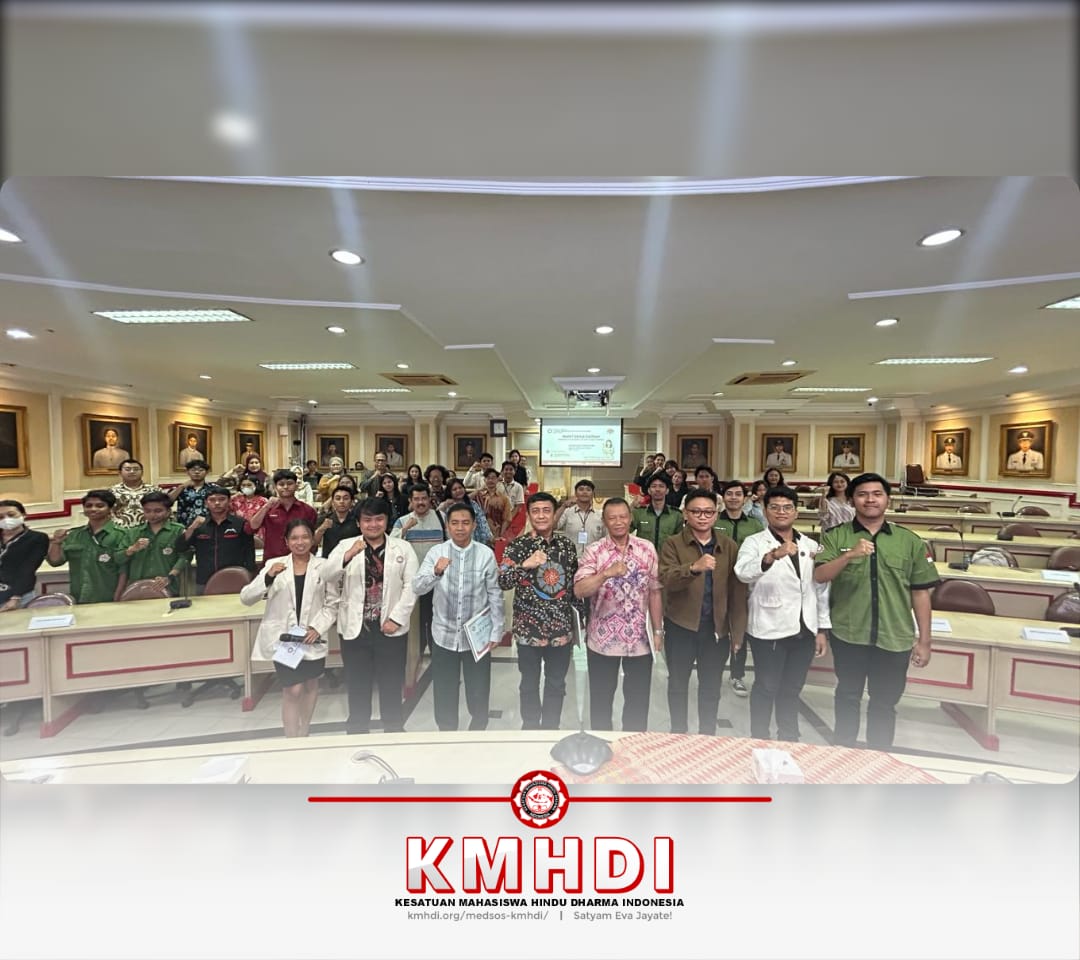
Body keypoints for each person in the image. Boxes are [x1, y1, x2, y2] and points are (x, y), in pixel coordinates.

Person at [814, 472, 939, 750]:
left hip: (894, 636)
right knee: (847, 696)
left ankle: (880, 755)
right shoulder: (835, 536)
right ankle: (843, 751)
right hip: (850, 634)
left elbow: (920, 593)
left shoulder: (909, 541)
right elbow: (820, 575)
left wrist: (925, 641)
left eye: (877, 494)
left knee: (885, 703)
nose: (870, 500)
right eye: (862, 494)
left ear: (888, 500)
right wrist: (849, 555)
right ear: (851, 500)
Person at [735, 485, 830, 742]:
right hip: (769, 628)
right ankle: (759, 738)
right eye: (775, 507)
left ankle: (789, 738)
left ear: (796, 512)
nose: (781, 512)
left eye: (787, 507)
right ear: (765, 511)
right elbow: (742, 572)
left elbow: (820, 589)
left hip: (804, 628)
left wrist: (822, 629)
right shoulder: (754, 542)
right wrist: (771, 557)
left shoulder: (810, 545)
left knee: (792, 688)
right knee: (767, 687)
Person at [324, 498, 418, 735]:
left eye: (379, 519)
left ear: (387, 521)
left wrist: (396, 619)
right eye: (367, 520)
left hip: (390, 628)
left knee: (391, 682)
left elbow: (412, 586)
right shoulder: (346, 545)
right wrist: (347, 556)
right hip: (356, 629)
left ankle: (393, 728)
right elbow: (326, 575)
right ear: (358, 522)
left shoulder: (402, 548)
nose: (373, 524)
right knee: (357, 683)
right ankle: (357, 729)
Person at [658, 489, 747, 736]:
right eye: (696, 511)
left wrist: (738, 631)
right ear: (685, 514)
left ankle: (707, 735)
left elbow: (737, 592)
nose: (702, 517)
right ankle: (678, 733)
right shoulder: (673, 543)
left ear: (716, 515)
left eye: (708, 512)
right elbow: (666, 579)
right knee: (678, 683)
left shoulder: (728, 546)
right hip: (681, 626)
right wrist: (693, 568)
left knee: (711, 686)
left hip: (716, 629)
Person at [573, 497, 663, 731]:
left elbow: (655, 591)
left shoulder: (647, 548)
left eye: (623, 516)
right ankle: (601, 744)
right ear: (604, 522)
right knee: (601, 702)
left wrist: (658, 630)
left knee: (638, 703)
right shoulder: (594, 551)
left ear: (630, 518)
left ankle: (632, 745)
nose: (618, 522)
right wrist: (605, 574)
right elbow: (580, 590)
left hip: (640, 641)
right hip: (602, 641)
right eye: (612, 518)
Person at [413, 501, 504, 731]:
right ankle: (447, 732)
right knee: (444, 688)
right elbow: (417, 587)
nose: (460, 528)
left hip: (477, 634)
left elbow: (495, 593)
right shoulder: (437, 553)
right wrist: (436, 572)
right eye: (455, 523)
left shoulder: (485, 554)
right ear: (447, 526)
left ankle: (478, 728)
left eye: (465, 523)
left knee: (479, 687)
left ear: (474, 525)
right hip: (443, 633)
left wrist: (497, 630)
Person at [242, 518, 337, 737]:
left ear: (313, 539)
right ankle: (291, 738)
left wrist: (317, 628)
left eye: (305, 537)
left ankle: (304, 731)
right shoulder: (274, 565)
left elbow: (333, 603)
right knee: (293, 689)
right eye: (294, 538)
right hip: (285, 640)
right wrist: (268, 577)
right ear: (286, 541)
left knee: (310, 685)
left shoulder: (324, 567)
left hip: (311, 637)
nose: (300, 542)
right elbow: (246, 598)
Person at [498, 492, 583, 730]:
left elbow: (573, 586)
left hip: (560, 630)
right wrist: (525, 565)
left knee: (557, 683)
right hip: (529, 630)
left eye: (547, 510)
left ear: (555, 514)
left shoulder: (567, 546)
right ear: (529, 515)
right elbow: (503, 581)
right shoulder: (518, 546)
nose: (541, 516)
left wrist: (579, 621)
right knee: (529, 683)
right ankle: (530, 727)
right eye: (536, 511)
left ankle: (551, 728)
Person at [712, 480, 765, 697]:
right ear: (723, 497)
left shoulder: (754, 524)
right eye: (729, 494)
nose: (733, 498)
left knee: (739, 626)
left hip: (745, 583)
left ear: (745, 498)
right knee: (717, 626)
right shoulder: (715, 521)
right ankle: (713, 672)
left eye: (738, 494)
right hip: (718, 580)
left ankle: (737, 675)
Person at [390, 482, 447, 657]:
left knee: (436, 618)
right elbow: (391, 545)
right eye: (416, 499)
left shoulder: (441, 517)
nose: (421, 502)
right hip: (413, 582)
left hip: (437, 580)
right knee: (417, 622)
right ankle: (418, 655)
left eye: (424, 498)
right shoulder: (402, 521)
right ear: (410, 501)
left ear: (430, 499)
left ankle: (438, 655)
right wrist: (405, 529)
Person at [46, 489, 128, 603]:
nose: (93, 509)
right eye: (88, 506)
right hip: (79, 597)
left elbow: (125, 570)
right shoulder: (74, 535)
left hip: (109, 597)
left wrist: (119, 596)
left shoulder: (122, 535)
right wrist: (56, 542)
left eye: (100, 506)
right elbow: (55, 562)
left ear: (110, 509)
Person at [179, 485, 257, 594]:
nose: (217, 503)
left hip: (235, 577)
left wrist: (250, 574)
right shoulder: (199, 524)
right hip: (204, 579)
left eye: (221, 499)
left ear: (229, 501)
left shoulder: (240, 523)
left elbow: (249, 551)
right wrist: (192, 527)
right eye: (212, 500)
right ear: (206, 503)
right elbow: (181, 547)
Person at [120, 491, 189, 594]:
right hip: (137, 588)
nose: (152, 515)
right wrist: (132, 549)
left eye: (158, 511)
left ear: (168, 511)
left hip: (167, 586)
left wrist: (170, 576)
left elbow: (185, 556)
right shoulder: (133, 532)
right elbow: (118, 558)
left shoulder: (178, 530)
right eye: (147, 511)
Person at [246, 469, 319, 562]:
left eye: (290, 483)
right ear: (275, 487)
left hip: (300, 560)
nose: (285, 487)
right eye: (281, 484)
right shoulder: (268, 509)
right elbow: (251, 527)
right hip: (273, 560)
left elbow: (313, 538)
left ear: (296, 486)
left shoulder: (308, 510)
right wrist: (267, 506)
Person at [0, 500, 50, 611]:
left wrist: (16, 597)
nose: (6, 519)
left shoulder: (37, 538)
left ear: (23, 514)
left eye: (11, 515)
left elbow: (28, 568)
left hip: (19, 594)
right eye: (1, 517)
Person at [630, 473, 683, 552]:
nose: (657, 489)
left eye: (661, 486)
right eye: (654, 486)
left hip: (667, 557)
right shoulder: (639, 512)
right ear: (649, 490)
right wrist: (631, 507)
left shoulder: (676, 515)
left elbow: (680, 541)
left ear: (667, 490)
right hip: (644, 556)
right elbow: (625, 530)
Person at [555, 479, 605, 558]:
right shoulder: (567, 512)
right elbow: (553, 526)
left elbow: (605, 538)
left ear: (593, 494)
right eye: (581, 489)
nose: (584, 492)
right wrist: (563, 506)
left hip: (594, 559)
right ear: (575, 493)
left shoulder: (600, 515)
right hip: (571, 558)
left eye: (588, 490)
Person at [438, 477, 494, 545]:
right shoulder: (446, 506)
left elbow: (482, 521)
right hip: (454, 541)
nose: (458, 490)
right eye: (454, 489)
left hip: (475, 540)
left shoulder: (473, 504)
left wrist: (489, 537)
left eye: (460, 488)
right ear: (450, 492)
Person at [110, 458, 162, 528]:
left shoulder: (154, 490)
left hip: (149, 529)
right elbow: (108, 513)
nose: (132, 472)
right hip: (121, 530)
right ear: (120, 472)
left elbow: (164, 510)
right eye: (128, 469)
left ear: (142, 472)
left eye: (136, 469)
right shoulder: (112, 491)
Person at [313, 486, 359, 558]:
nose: (341, 501)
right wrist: (321, 529)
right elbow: (314, 543)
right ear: (332, 502)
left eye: (346, 498)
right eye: (338, 498)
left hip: (353, 560)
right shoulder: (324, 518)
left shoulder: (358, 520)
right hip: (329, 560)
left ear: (352, 502)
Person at [169, 459, 211, 527]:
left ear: (207, 472)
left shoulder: (213, 488)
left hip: (208, 526)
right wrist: (182, 487)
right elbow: (166, 502)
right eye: (193, 470)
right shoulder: (180, 488)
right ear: (187, 472)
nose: (197, 472)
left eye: (201, 470)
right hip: (184, 526)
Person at [474, 468, 512, 540]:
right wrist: (478, 490)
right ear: (484, 480)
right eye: (488, 478)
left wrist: (500, 535)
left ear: (497, 480)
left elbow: (507, 519)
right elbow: (464, 500)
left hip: (496, 533)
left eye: (493, 478)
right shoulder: (478, 497)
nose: (490, 480)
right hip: (479, 534)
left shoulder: (504, 498)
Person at [498, 460, 527, 538]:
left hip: (512, 517)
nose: (508, 472)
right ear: (502, 471)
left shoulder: (518, 487)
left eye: (511, 469)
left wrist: (509, 518)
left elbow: (518, 505)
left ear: (515, 471)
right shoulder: (497, 484)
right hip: (497, 517)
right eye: (506, 469)